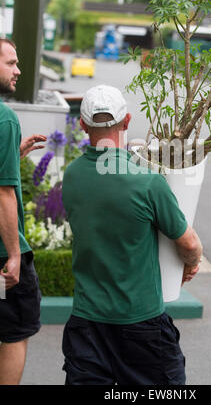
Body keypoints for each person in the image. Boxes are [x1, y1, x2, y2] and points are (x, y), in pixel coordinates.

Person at [61, 84, 203, 385]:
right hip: (142, 326)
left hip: (86, 324)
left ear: (83, 125)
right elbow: (188, 242)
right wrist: (189, 264)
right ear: (126, 121)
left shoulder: (71, 176)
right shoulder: (148, 183)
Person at [0, 38, 47, 385]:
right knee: (12, 332)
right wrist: (14, 255)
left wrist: (13, 156)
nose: (18, 70)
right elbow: (2, 193)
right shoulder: (5, 119)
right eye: (11, 63)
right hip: (2, 260)